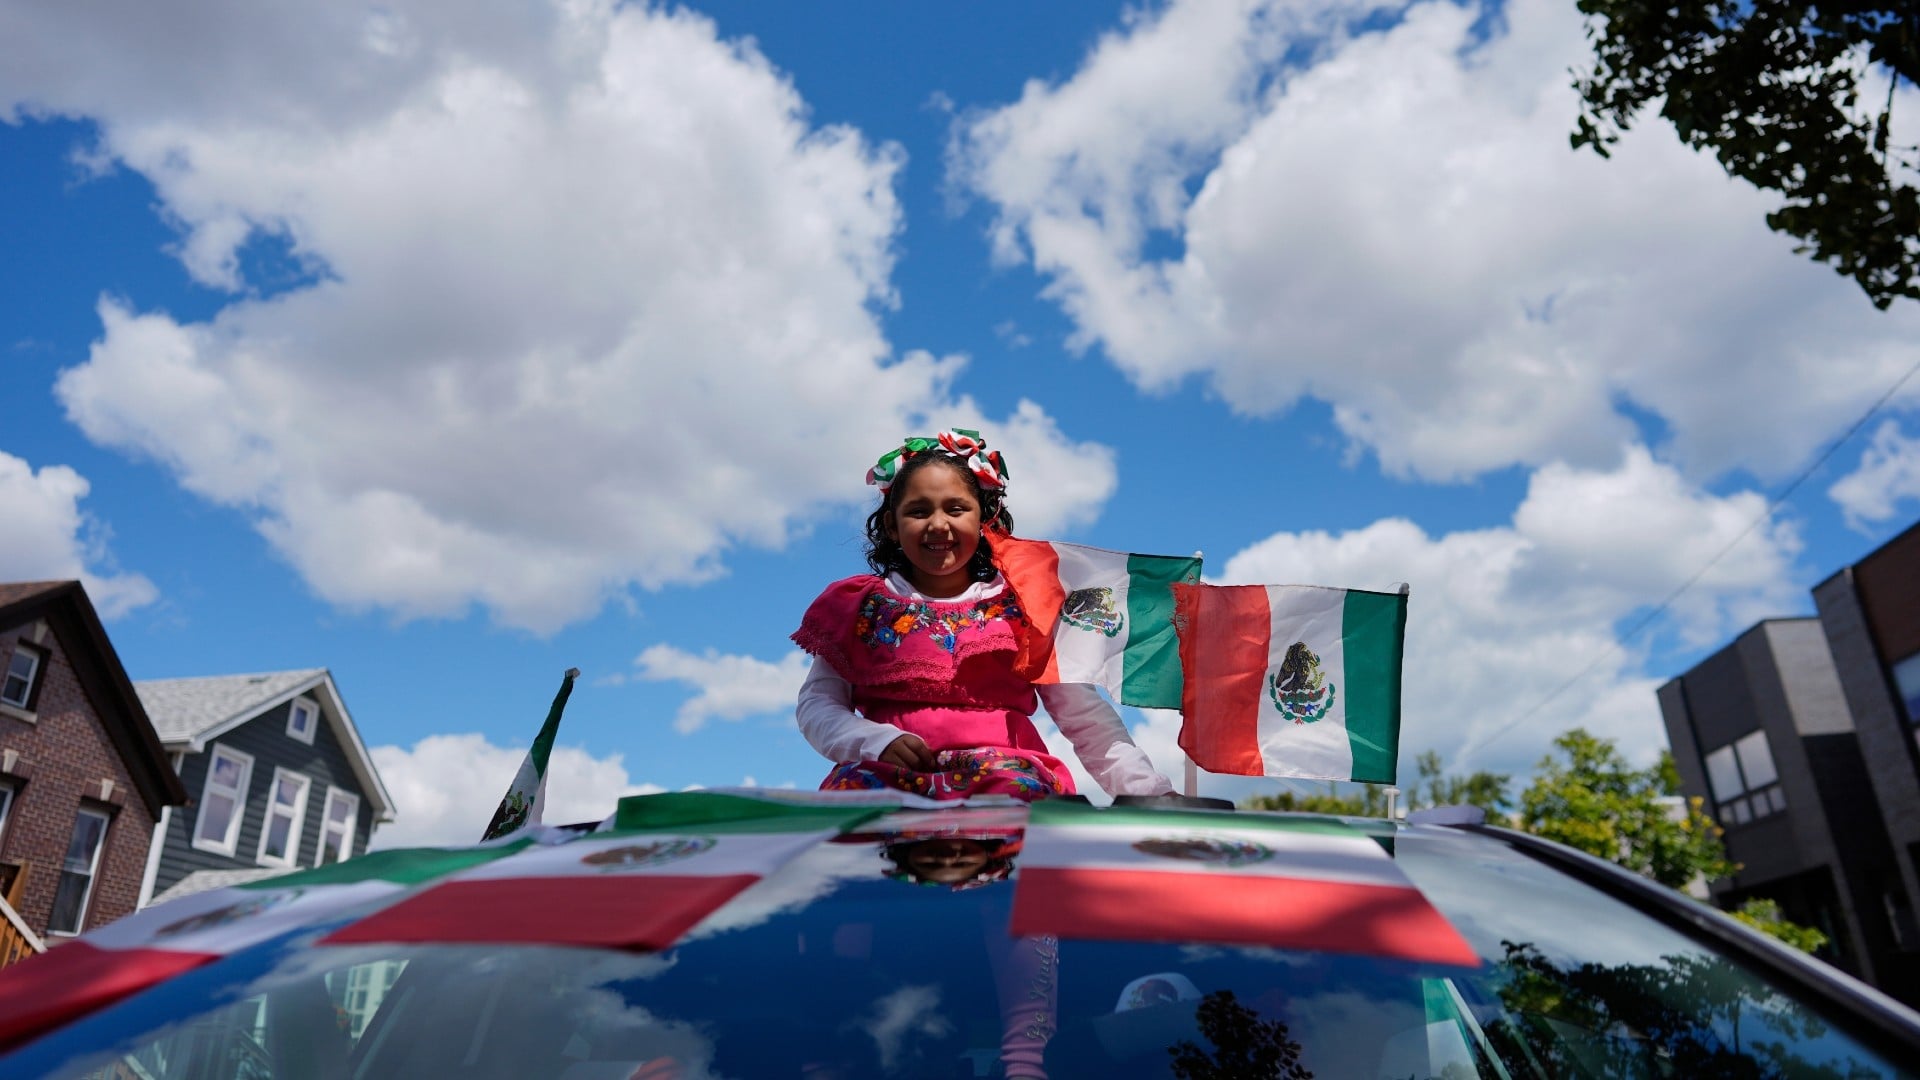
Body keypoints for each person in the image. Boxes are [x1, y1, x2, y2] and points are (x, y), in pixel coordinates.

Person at [792, 429, 1172, 800]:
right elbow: (818, 705)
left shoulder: (1025, 609)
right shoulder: (858, 607)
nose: (938, 524)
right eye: (918, 511)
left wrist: (1146, 792)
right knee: (848, 816)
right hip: (885, 777)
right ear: (892, 526)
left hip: (1003, 777)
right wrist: (874, 742)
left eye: (956, 509)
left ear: (984, 518)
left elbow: (1082, 716)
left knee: (1019, 807)